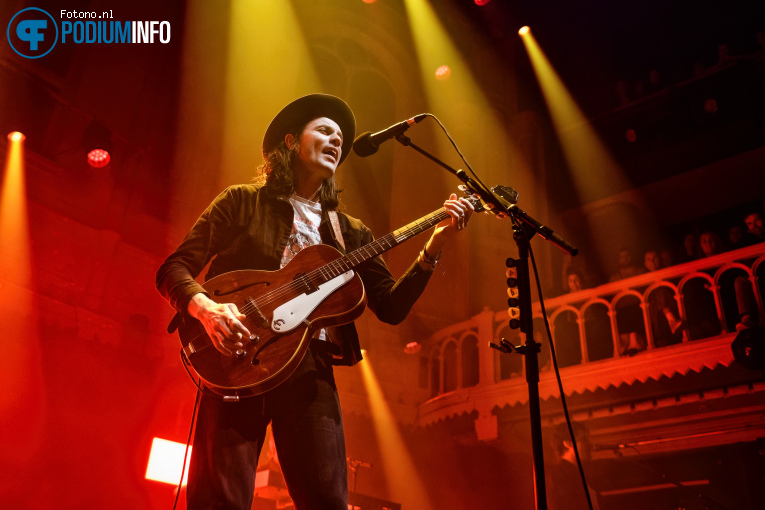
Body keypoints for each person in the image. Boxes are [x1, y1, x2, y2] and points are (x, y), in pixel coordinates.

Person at [156, 94, 474, 509]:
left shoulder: (350, 231)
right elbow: (174, 268)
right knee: (221, 498)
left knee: (326, 499)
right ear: (290, 142)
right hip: (233, 353)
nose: (336, 141)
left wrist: (434, 246)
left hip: (310, 366)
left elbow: (391, 307)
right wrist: (207, 308)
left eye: (341, 138)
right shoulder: (242, 201)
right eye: (325, 130)